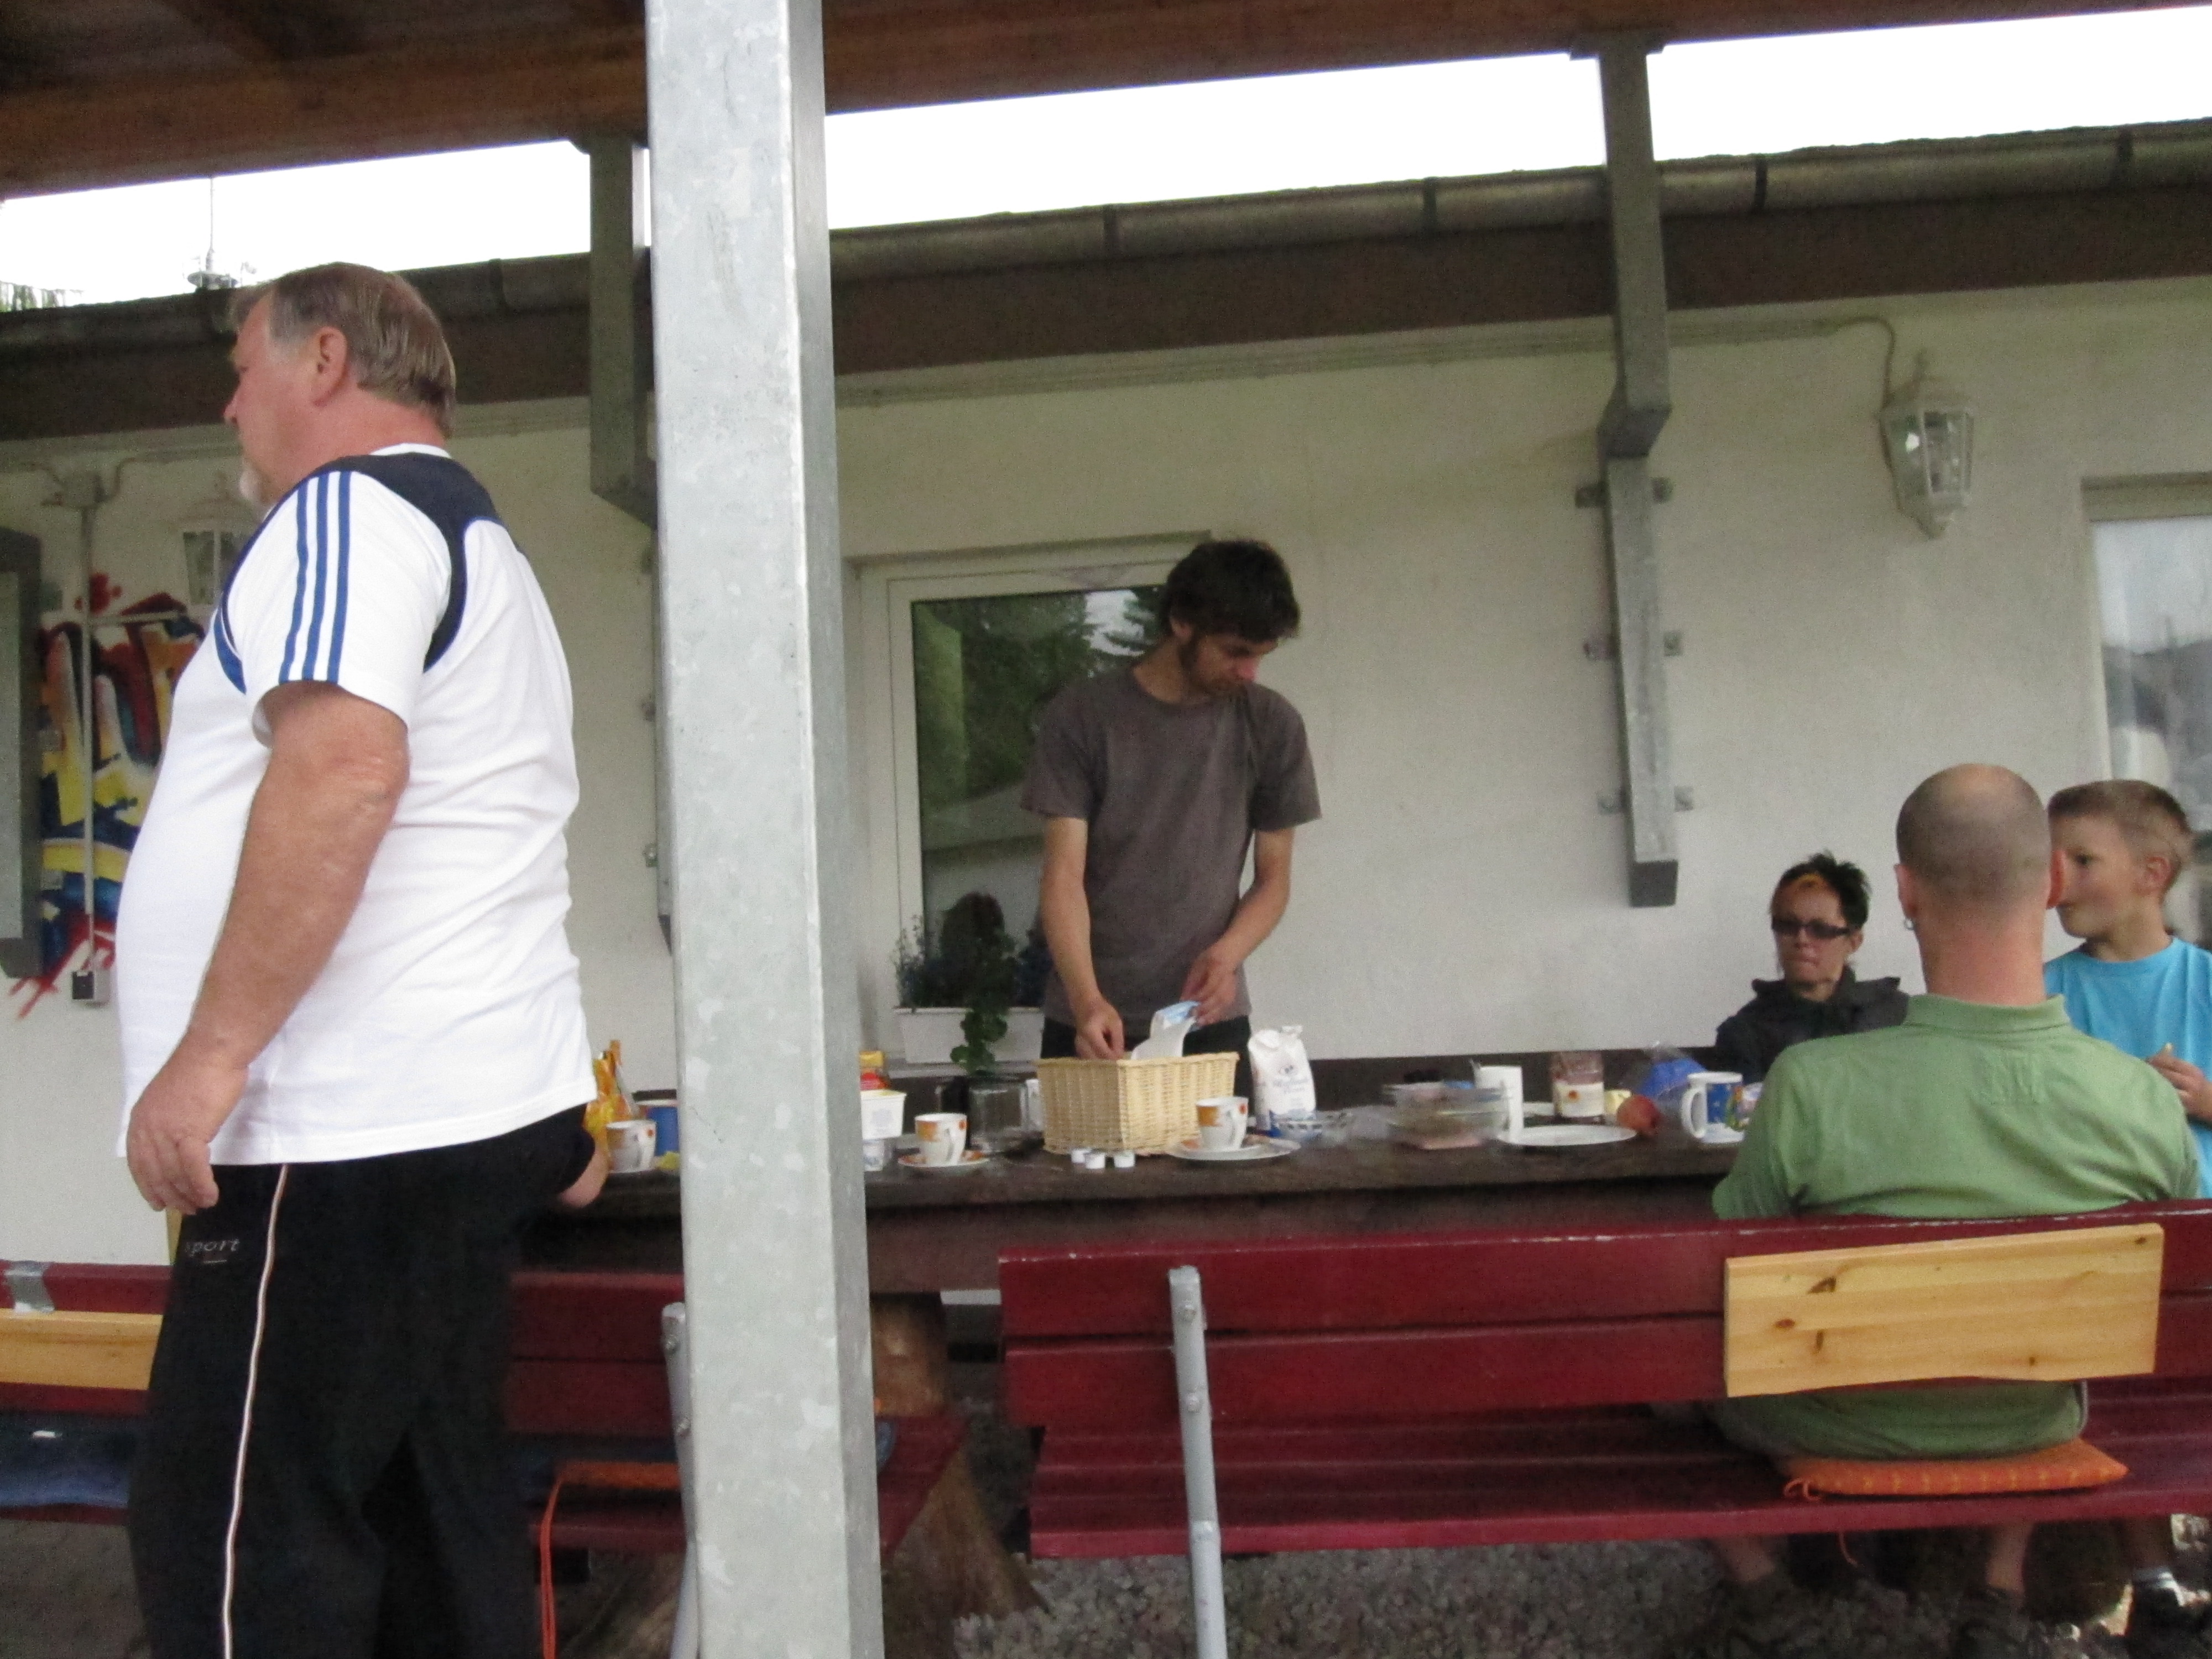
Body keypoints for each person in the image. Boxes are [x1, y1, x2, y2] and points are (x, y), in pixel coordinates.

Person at [116, 263, 605, 1659]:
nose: (230, 407)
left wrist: (208, 1060)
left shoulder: (346, 510)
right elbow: (497, 839)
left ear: (325, 360)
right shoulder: (483, 552)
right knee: (431, 1544)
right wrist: (557, 1099)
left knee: (237, 1546)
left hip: (334, 1137)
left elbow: (342, 770)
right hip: (450, 1125)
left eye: (242, 370)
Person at [1679, 765, 2198, 1659]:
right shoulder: (2142, 1100)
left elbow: (1726, 1272)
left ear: (1906, 893)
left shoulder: (1811, 1086)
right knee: (2039, 1339)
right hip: (2034, 1420)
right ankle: (1997, 1588)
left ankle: (1763, 1591)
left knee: (1668, 1364)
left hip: (1827, 1422)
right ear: (2051, 883)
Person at [1021, 540, 1320, 1081]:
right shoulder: (1083, 716)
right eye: (1235, 651)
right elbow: (1063, 877)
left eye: (1260, 655)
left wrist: (1227, 955)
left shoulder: (1273, 726)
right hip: (1088, 1021)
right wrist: (1087, 999)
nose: (1250, 672)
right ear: (1182, 623)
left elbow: (1273, 879)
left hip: (1209, 1021)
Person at [2043, 779, 2212, 1658]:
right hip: (2099, 1247)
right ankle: (2153, 1585)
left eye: (2082, 860)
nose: (2058, 880)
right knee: (2109, 1402)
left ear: (2152, 874)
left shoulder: (2206, 982)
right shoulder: (2045, 992)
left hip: (2206, 1241)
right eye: (2052, 861)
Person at [1711, 852, 1910, 1081]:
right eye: (1788, 926)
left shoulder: (1896, 1016)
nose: (1801, 939)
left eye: (1820, 929)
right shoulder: (1746, 1032)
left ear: (1854, 941)